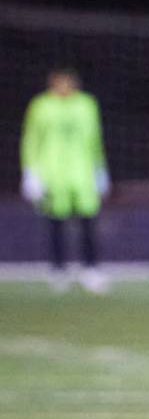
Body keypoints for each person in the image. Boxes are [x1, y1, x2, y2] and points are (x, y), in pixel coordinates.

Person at [20, 67, 111, 292]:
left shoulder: (86, 104)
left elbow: (95, 139)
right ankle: (58, 269)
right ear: (52, 83)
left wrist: (100, 169)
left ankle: (91, 269)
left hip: (83, 173)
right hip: (53, 175)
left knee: (88, 223)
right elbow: (31, 139)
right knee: (56, 224)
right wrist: (30, 172)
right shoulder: (41, 105)